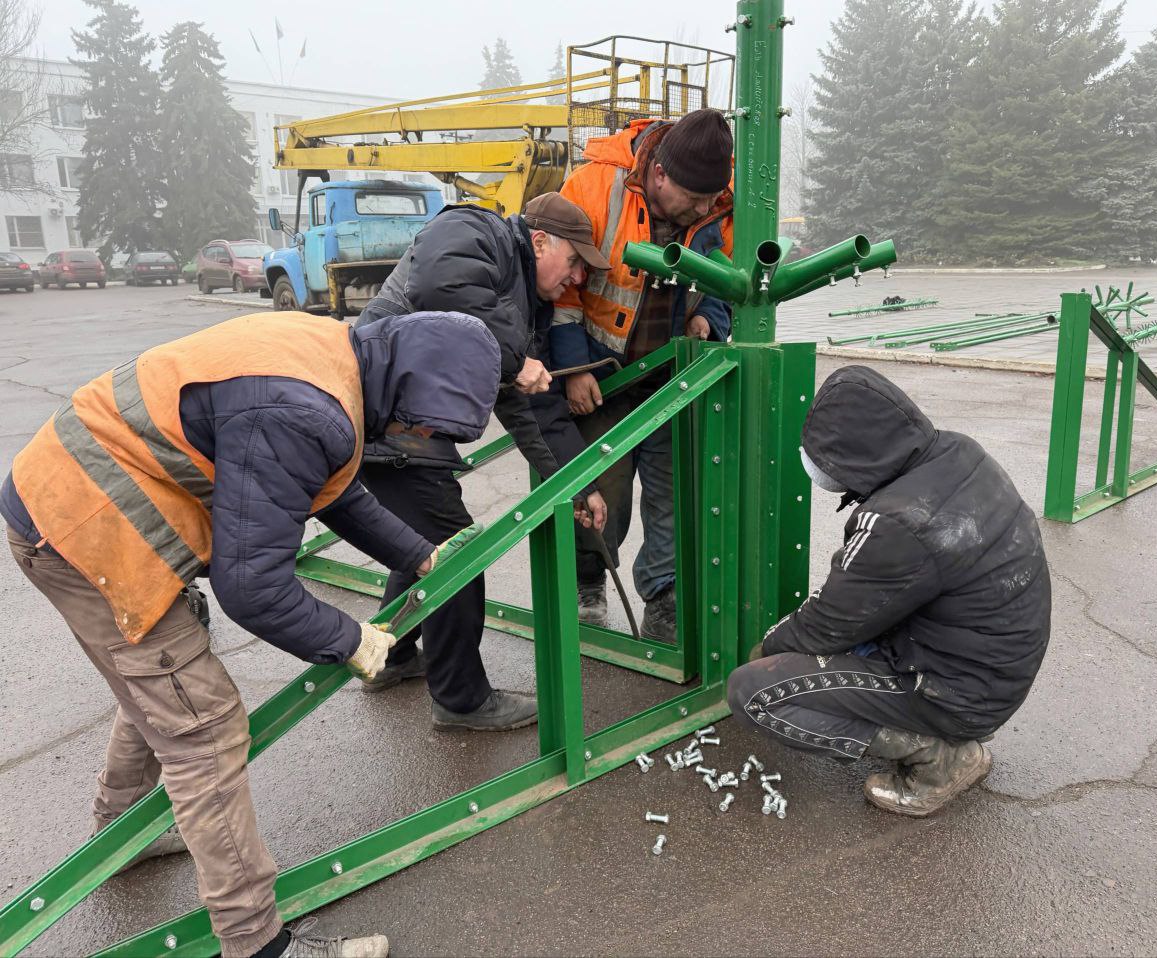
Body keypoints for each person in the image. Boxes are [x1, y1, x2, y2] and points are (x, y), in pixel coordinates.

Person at [2, 310, 502, 958]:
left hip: (64, 500)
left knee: (162, 689)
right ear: (407, 385)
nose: (423, 436)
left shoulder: (334, 360)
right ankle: (257, 944)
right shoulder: (304, 411)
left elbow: (333, 489)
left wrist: (418, 554)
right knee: (203, 725)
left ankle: (123, 832)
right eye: (426, 423)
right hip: (85, 530)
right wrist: (352, 639)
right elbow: (253, 589)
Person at [727, 366, 1052, 818]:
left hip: (958, 692)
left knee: (754, 691)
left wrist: (767, 649)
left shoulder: (897, 521)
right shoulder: (959, 452)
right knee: (838, 644)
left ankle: (940, 757)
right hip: (991, 671)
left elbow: (826, 624)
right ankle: (944, 732)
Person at [355, 193, 611, 728]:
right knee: (455, 550)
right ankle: (461, 698)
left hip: (403, 424)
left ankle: (393, 656)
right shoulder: (480, 231)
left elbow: (529, 409)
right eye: (575, 264)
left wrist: (573, 483)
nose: (577, 280)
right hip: (379, 410)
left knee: (426, 543)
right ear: (539, 241)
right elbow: (438, 285)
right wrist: (515, 360)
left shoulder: (514, 302)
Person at [550, 107, 735, 642]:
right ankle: (588, 587)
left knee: (672, 493)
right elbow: (562, 288)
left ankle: (664, 599)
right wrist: (573, 370)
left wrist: (709, 315)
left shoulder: (716, 200)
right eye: (694, 199)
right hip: (599, 371)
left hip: (667, 375)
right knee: (602, 494)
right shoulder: (591, 186)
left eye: (711, 199)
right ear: (658, 175)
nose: (704, 208)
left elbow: (727, 275)